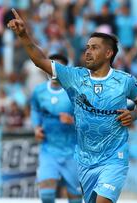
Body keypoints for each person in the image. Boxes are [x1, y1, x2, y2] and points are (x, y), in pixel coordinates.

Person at [7, 9, 137, 203]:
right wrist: (24, 35)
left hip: (114, 157)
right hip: (84, 160)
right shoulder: (75, 77)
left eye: (94, 47)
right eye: (87, 47)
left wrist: (134, 115)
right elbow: (40, 61)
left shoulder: (124, 81)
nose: (88, 51)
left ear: (108, 53)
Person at [31, 54, 82, 203]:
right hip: (49, 151)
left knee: (75, 198)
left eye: (57, 68)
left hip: (72, 152)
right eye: (50, 67)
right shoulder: (39, 91)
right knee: (46, 195)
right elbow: (35, 109)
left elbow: (89, 119)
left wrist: (73, 121)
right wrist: (36, 128)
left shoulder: (75, 92)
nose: (53, 71)